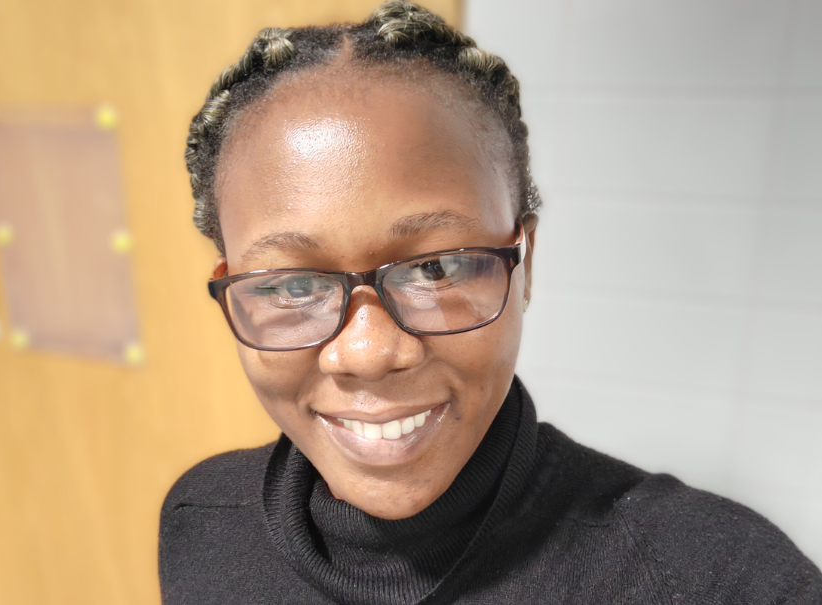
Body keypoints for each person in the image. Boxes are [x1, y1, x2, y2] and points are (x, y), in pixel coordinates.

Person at [158, 2, 822, 603]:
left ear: (523, 260)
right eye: (293, 284)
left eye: (436, 267)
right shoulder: (204, 522)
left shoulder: (720, 579)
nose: (366, 351)